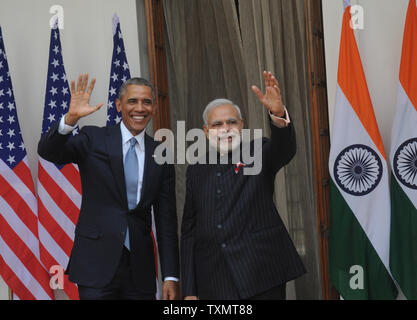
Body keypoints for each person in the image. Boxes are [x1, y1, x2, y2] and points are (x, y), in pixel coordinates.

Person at [38, 74, 179, 300]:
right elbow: (48, 151)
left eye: (147, 102)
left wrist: (171, 276)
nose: (140, 108)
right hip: (96, 266)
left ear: (154, 106)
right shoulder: (94, 138)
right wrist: (70, 119)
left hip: (139, 271)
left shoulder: (160, 153)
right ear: (119, 105)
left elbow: (166, 220)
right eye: (133, 101)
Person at [181, 71, 306, 300]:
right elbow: (189, 233)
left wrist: (277, 114)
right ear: (207, 132)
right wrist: (189, 290)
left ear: (242, 125)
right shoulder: (196, 170)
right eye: (217, 124)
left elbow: (284, 148)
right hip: (214, 280)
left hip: (260, 273)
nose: (225, 128)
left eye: (231, 122)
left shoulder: (259, 151)